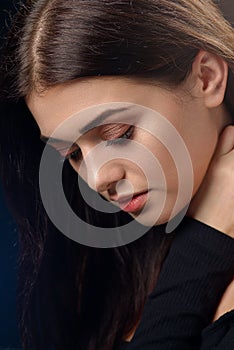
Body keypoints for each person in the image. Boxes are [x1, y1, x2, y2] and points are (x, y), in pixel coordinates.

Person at [0, 0, 234, 349]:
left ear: (206, 78)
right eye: (72, 154)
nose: (96, 180)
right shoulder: (110, 267)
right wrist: (208, 235)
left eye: (118, 134)